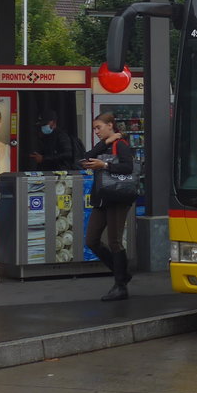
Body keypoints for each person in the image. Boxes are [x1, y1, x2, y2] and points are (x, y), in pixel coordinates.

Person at [80, 112, 136, 301]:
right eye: (94, 128)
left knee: (114, 241)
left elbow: (129, 167)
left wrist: (104, 165)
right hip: (102, 198)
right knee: (92, 240)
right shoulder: (106, 144)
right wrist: (105, 143)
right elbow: (86, 158)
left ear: (110, 125)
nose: (96, 131)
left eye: (99, 127)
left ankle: (120, 286)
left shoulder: (121, 144)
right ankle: (122, 272)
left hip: (118, 198)